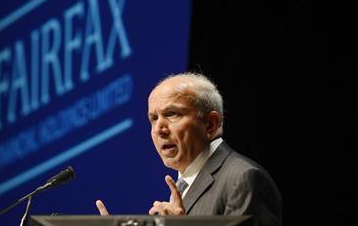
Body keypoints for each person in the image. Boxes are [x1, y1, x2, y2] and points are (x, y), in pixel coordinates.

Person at [96, 72, 282, 225]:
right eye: (153, 118)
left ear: (210, 124)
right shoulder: (184, 184)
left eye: (172, 114)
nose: (159, 129)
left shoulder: (242, 179)